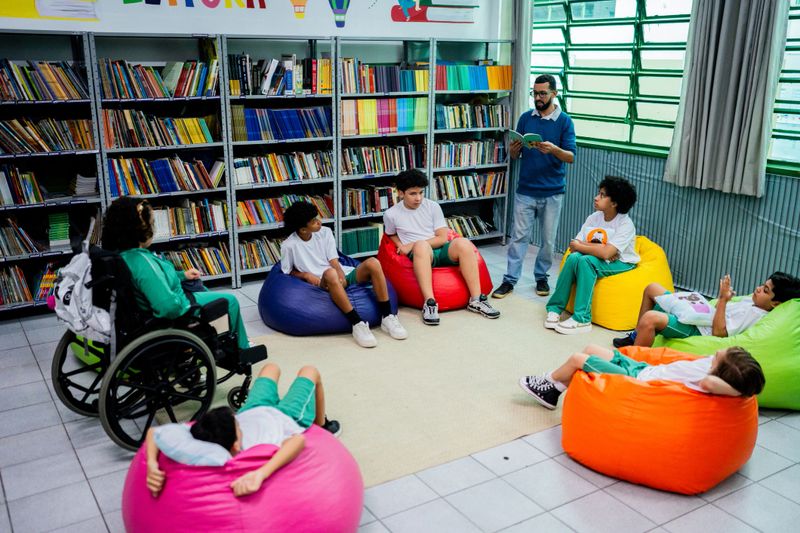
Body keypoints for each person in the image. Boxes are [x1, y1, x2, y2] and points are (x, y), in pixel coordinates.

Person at [145, 363, 341, 498]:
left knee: (270, 368)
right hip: (287, 416)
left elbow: (154, 433)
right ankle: (322, 424)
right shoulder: (253, 448)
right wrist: (261, 473)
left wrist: (152, 465)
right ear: (236, 444)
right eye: (238, 429)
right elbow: (298, 441)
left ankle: (250, 410)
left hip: (252, 409)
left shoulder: (202, 434)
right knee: (310, 371)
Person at [102, 196, 250, 351]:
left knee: (199, 287)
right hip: (180, 309)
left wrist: (182, 276)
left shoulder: (124, 256)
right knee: (229, 300)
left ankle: (222, 338)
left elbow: (152, 282)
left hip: (159, 305)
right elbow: (168, 307)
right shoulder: (142, 262)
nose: (153, 229)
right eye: (152, 224)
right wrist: (185, 304)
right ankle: (242, 350)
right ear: (140, 231)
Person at [492, 74, 576, 300]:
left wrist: (554, 150)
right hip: (525, 190)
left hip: (552, 192)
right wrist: (515, 148)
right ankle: (509, 280)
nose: (538, 98)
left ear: (554, 94)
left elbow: (570, 157)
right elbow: (514, 154)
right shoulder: (526, 118)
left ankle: (541, 277)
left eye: (542, 93)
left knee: (548, 241)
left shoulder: (564, 121)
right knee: (518, 238)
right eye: (535, 93)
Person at [281, 201, 407, 348]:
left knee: (373, 262)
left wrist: (341, 273)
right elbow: (288, 271)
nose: (319, 222)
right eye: (314, 221)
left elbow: (334, 260)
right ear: (303, 229)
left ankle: (388, 317)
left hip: (341, 275)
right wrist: (307, 276)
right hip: (324, 281)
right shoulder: (289, 245)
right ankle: (357, 324)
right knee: (330, 273)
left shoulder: (325, 232)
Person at [383, 169, 500, 325]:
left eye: (421, 193)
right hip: (420, 254)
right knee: (421, 247)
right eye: (412, 194)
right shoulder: (391, 214)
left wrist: (412, 244)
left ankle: (477, 300)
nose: (418, 198)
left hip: (438, 248)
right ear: (401, 193)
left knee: (464, 243)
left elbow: (442, 238)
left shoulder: (432, 206)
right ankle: (430, 303)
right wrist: (401, 245)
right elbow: (390, 234)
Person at [519, 344, 765, 410]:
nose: (719, 351)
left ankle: (549, 382)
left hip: (639, 381)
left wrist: (740, 390)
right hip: (641, 368)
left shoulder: (707, 379)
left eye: (722, 356)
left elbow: (711, 383)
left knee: (578, 359)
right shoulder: (709, 363)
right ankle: (554, 389)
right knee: (592, 349)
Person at [544, 176, 639, 335]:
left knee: (587, 261)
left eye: (602, 195)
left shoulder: (625, 224)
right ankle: (555, 308)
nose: (596, 198)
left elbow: (607, 253)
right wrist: (601, 248)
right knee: (574, 258)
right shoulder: (594, 217)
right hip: (604, 259)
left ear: (614, 203)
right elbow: (575, 245)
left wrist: (599, 250)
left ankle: (582, 318)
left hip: (622, 262)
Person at [613, 272, 800, 348]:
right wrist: (721, 298)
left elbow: (719, 333)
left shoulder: (755, 313)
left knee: (651, 318)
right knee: (652, 288)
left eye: (765, 291)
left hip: (700, 329)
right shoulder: (749, 302)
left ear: (775, 303)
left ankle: (632, 363)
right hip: (702, 315)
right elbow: (720, 310)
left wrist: (724, 299)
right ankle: (635, 336)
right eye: (762, 285)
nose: (759, 288)